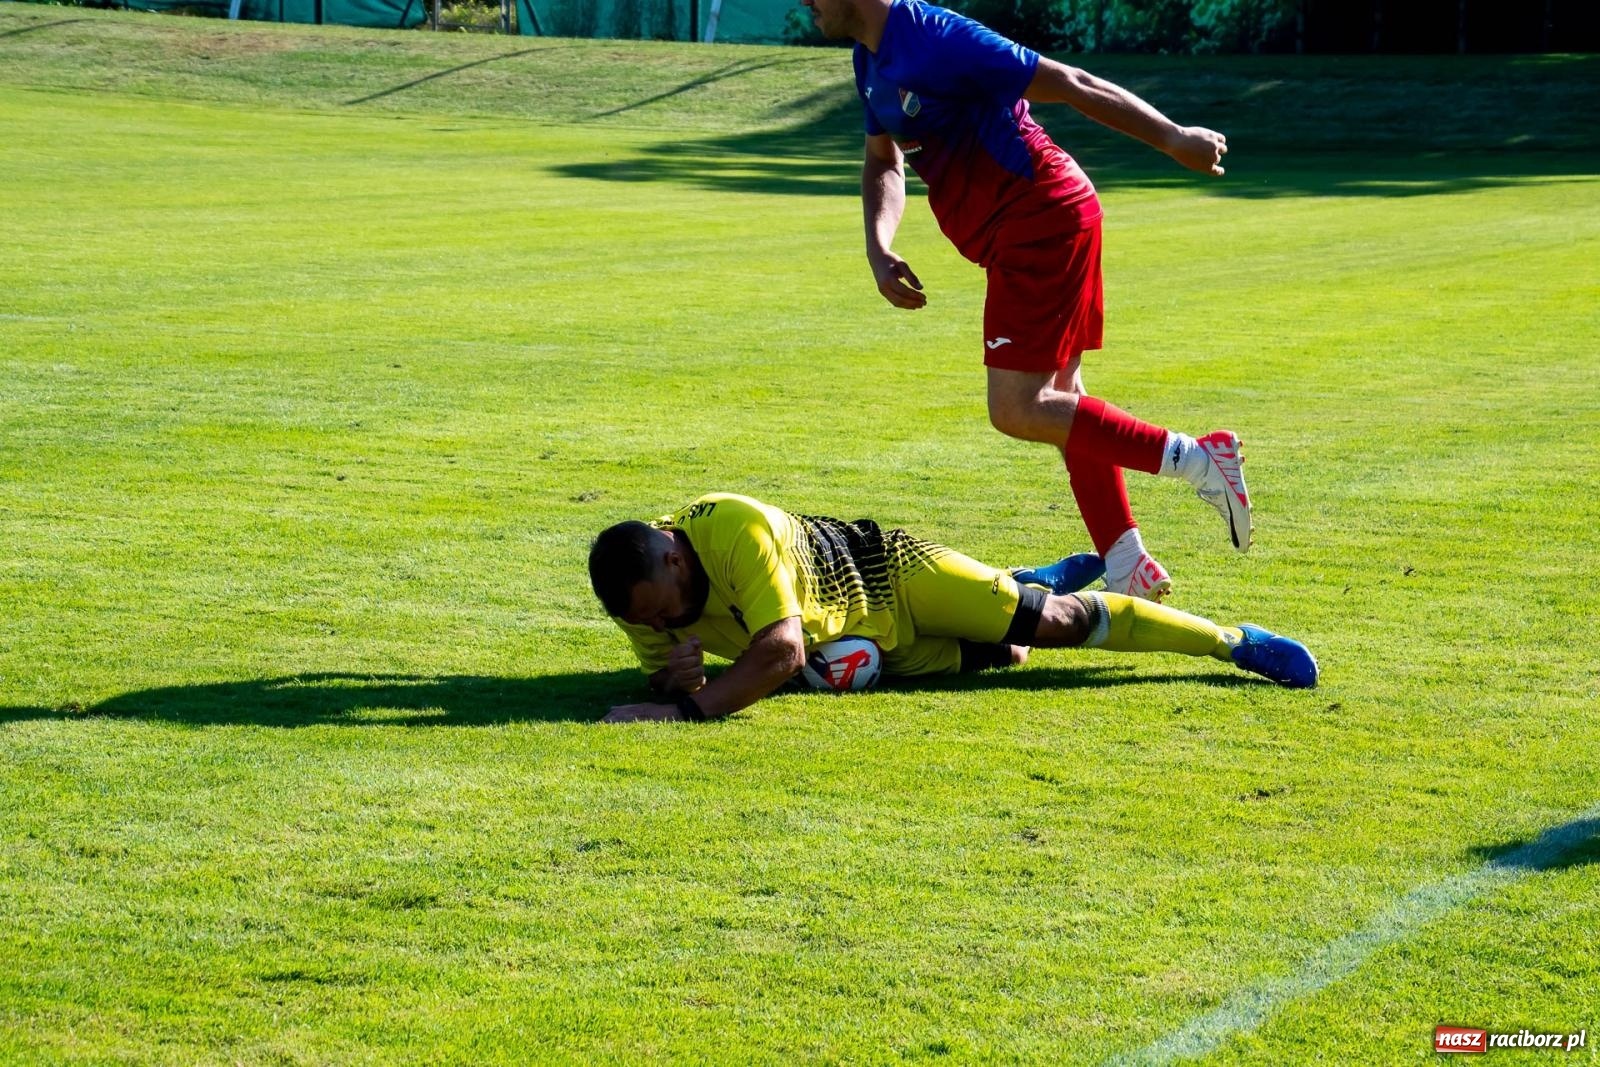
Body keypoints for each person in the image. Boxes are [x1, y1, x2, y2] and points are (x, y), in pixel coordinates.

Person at [798, 0, 1249, 602]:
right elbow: (883, 161)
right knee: (1063, 399)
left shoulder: (938, 37)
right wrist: (879, 247)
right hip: (1025, 230)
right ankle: (1125, 559)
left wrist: (1173, 138)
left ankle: (1199, 459)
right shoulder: (868, 59)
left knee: (1018, 407)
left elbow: (1070, 81)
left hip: (1039, 218)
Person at [588, 492, 1316, 723]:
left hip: (889, 575)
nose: (658, 626)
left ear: (675, 557)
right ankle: (1022, 580)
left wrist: (686, 711)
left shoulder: (734, 530)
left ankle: (1231, 641)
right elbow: (662, 674)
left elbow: (780, 650)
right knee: (1008, 654)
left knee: (1055, 624)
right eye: (645, 622)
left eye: (663, 612)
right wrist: (670, 678)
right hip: (866, 648)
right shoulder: (633, 592)